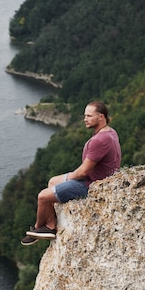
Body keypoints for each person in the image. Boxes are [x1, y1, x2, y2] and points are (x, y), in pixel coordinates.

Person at [21, 101, 121, 245]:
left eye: (89, 116)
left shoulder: (99, 140)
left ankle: (37, 229)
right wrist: (66, 178)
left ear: (101, 117)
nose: (85, 119)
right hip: (101, 178)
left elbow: (83, 172)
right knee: (52, 181)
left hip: (92, 185)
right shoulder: (110, 132)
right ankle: (50, 225)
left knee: (42, 197)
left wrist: (68, 178)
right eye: (84, 115)